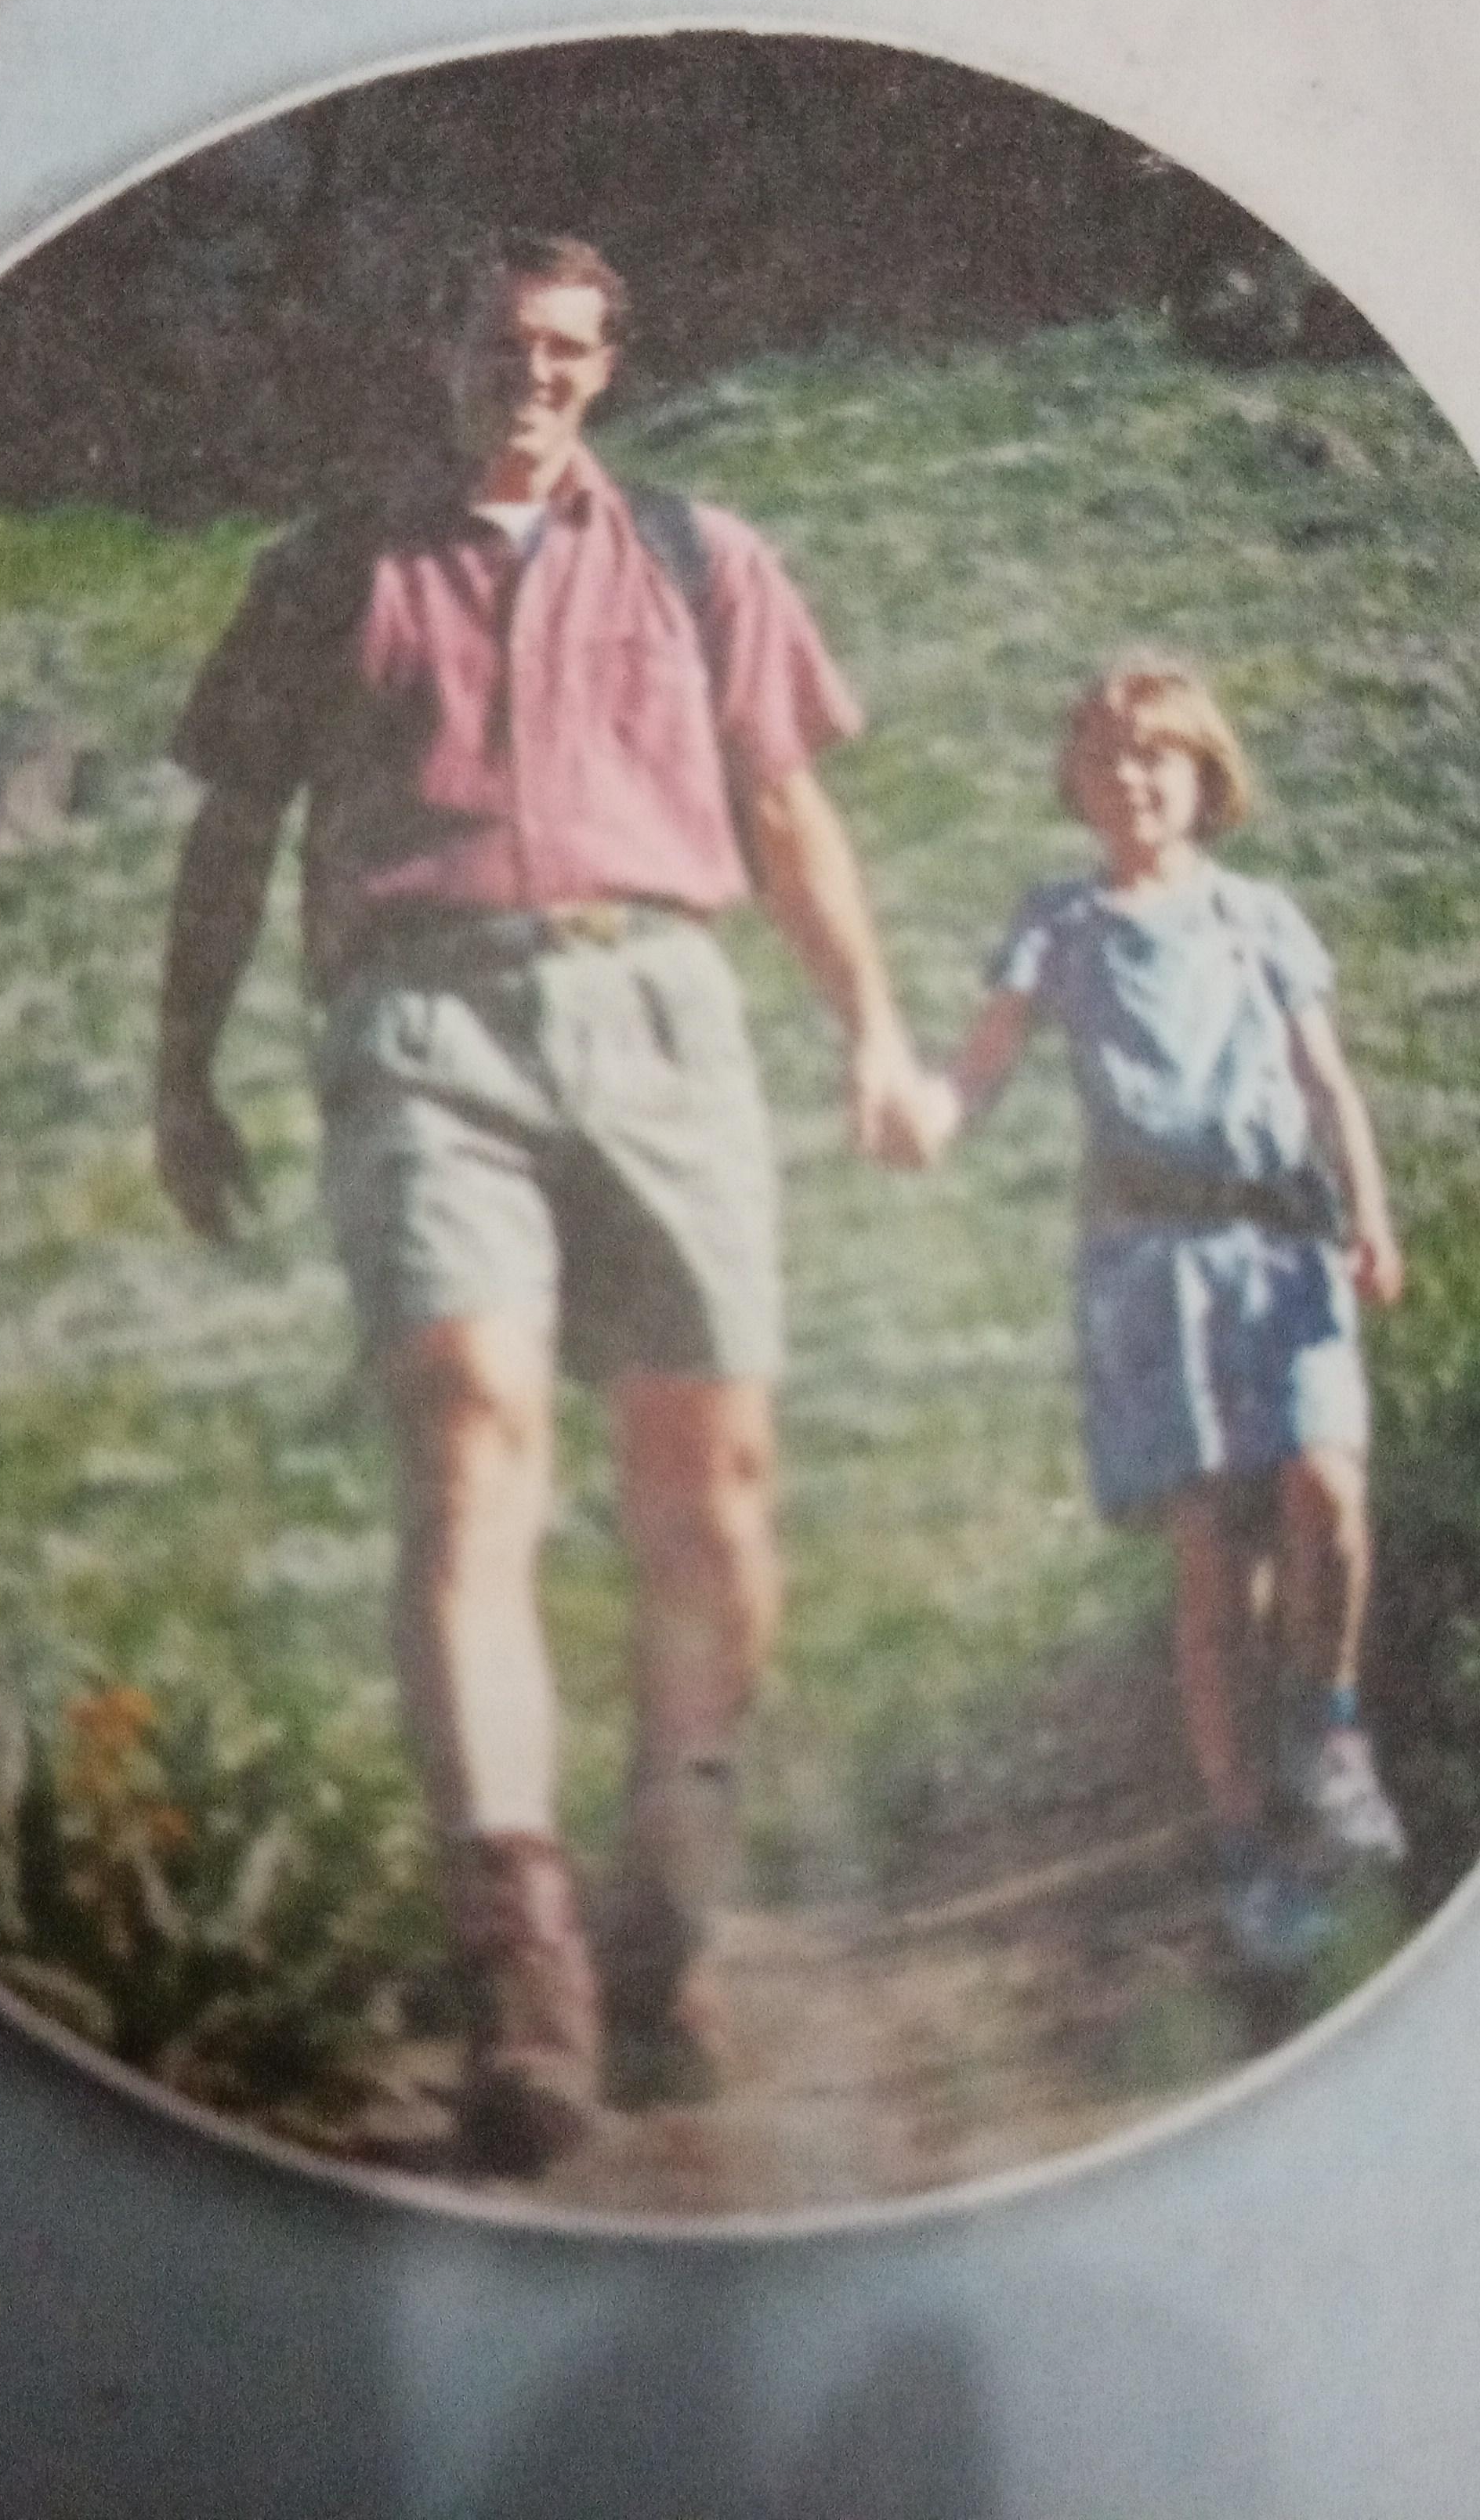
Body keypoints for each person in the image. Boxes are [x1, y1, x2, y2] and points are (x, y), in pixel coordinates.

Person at [154, 229, 947, 2174]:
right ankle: (518, 1964)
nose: (534, 375)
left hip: (660, 1012)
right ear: (442, 350)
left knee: (714, 1494)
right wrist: (181, 1070)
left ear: (609, 364)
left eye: (569, 349)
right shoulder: (328, 571)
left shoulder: (699, 555)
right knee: (470, 1438)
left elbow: (787, 811)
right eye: (503, 341)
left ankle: (664, 1909)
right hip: (421, 1024)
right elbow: (233, 828)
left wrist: (872, 1034)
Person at [943, 651, 1406, 1974]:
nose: (1133, 780)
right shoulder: (1062, 924)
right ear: (1075, 783)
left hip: (1282, 1244)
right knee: (1212, 1556)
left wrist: (1370, 1213)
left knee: (1327, 1486)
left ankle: (1329, 1732)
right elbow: (983, 1063)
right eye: (1105, 759)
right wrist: (921, 1112)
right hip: (1150, 1266)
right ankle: (1248, 1848)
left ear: (1208, 776)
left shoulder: (1259, 919)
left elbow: (1325, 1083)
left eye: (1158, 756)